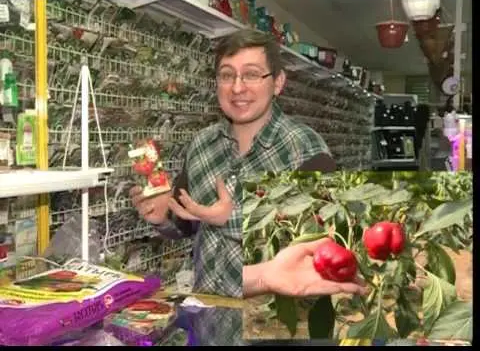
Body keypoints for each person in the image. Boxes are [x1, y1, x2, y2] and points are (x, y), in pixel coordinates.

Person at [130, 29, 363, 302]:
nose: (237, 88)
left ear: (277, 82)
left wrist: (232, 218)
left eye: (251, 74)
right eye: (227, 75)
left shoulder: (305, 149)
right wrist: (162, 217)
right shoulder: (202, 145)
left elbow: (316, 246)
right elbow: (185, 227)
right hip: (210, 315)